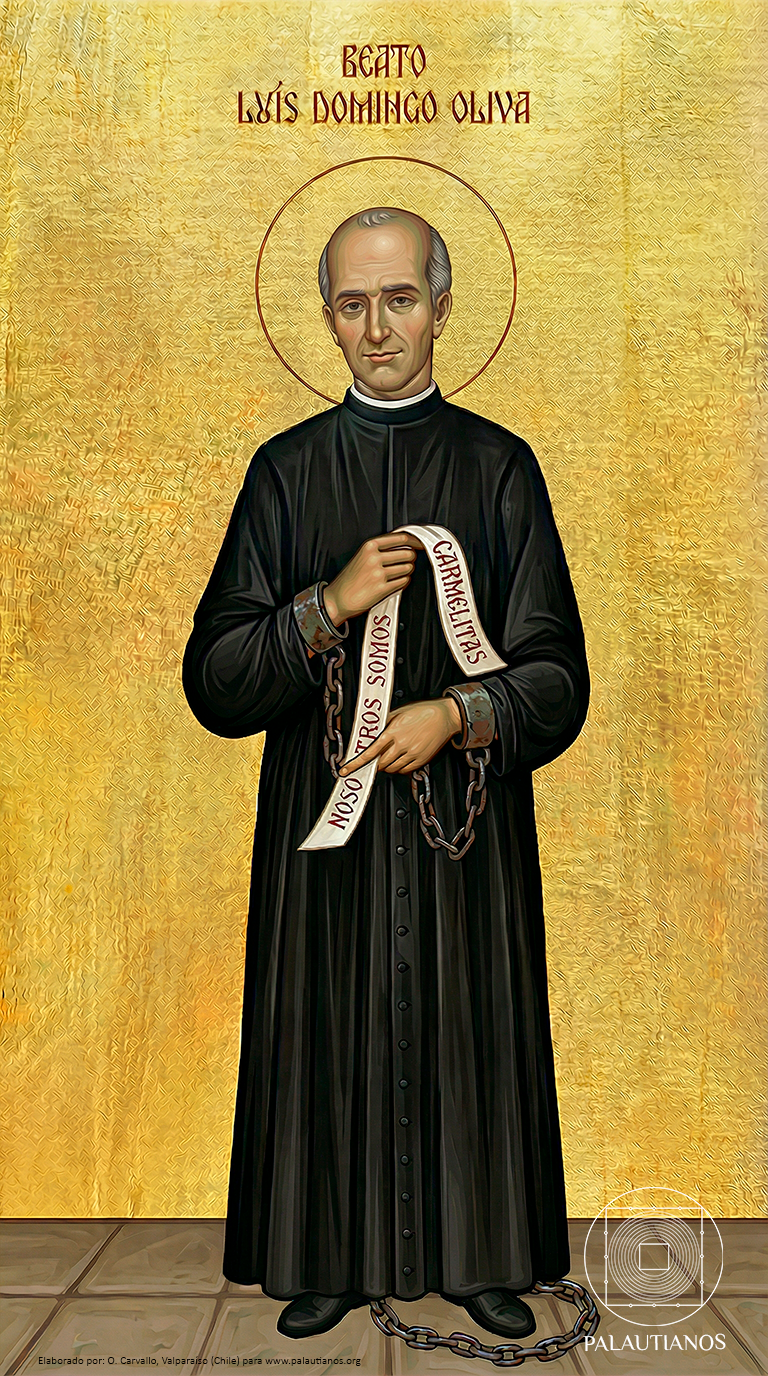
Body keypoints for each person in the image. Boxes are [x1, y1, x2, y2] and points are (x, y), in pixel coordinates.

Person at [182, 207, 589, 1342]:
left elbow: (560, 675)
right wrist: (329, 603)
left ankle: (482, 1256)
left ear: (441, 308)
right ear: (327, 319)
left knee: (469, 1034)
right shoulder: (284, 473)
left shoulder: (500, 468)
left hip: (466, 839)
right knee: (325, 1031)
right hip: (325, 836)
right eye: (353, 305)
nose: (377, 329)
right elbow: (215, 680)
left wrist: (460, 713)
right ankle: (320, 1254)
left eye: (399, 299)